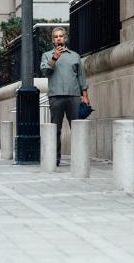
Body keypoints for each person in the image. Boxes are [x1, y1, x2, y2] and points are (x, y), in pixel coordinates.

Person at [40, 27, 89, 166]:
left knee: (77, 128)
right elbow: (45, 71)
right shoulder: (47, 55)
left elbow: (81, 77)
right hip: (55, 96)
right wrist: (55, 57)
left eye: (61, 36)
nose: (59, 38)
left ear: (65, 38)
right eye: (56, 36)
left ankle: (80, 158)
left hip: (73, 96)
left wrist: (85, 95)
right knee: (56, 129)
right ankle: (55, 158)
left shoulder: (75, 56)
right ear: (52, 40)